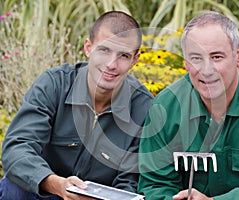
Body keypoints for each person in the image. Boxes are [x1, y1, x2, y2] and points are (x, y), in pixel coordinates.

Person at [137, 11, 239, 200]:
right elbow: (154, 185)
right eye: (196, 58)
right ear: (186, 63)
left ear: (238, 55)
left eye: (216, 57)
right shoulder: (165, 107)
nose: (206, 71)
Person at [0, 11, 153, 199]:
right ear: (88, 48)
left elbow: (130, 182)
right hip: (45, 192)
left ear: (134, 60)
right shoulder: (54, 84)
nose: (112, 64)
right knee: (13, 187)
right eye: (104, 50)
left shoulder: (143, 108)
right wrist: (57, 184)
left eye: (123, 55)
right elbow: (18, 148)